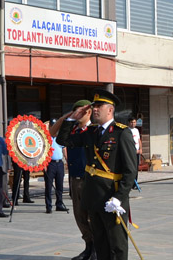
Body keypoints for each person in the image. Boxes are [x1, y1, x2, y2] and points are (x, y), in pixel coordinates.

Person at [55, 90, 137, 260]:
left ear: (110, 110)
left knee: (118, 245)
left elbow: (131, 171)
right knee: (100, 244)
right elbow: (62, 140)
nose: (95, 109)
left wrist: (119, 198)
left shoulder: (121, 133)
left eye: (99, 106)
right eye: (94, 106)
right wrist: (72, 118)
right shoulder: (90, 132)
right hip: (93, 198)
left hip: (112, 198)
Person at [50, 99, 97, 260]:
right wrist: (68, 116)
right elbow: (53, 133)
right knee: (80, 216)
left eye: (81, 112)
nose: (78, 115)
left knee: (92, 216)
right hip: (75, 179)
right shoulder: (73, 130)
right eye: (75, 112)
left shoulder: (94, 130)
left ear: (88, 112)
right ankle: (88, 247)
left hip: (89, 180)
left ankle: (96, 250)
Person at [44, 119, 68, 214]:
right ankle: (48, 206)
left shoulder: (60, 138)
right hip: (50, 164)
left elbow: (64, 149)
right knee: (49, 186)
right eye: (53, 126)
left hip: (59, 163)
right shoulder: (46, 138)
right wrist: (44, 164)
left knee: (60, 185)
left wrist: (67, 161)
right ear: (50, 127)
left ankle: (59, 204)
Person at [128, 117, 142, 187]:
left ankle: (135, 183)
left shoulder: (136, 130)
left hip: (137, 152)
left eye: (134, 122)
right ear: (129, 123)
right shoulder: (127, 131)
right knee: (131, 168)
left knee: (136, 168)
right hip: (130, 152)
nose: (133, 124)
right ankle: (130, 183)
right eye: (131, 122)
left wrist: (140, 149)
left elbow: (139, 140)